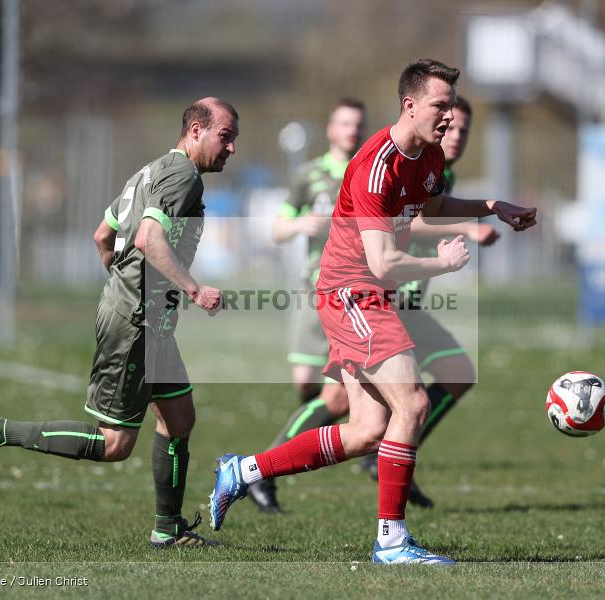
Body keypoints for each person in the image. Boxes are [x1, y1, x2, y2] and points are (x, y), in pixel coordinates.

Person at [209, 59, 536, 564]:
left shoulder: (426, 156)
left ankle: (243, 471)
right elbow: (382, 262)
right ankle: (391, 541)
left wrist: (492, 206)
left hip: (365, 294)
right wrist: (443, 263)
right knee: (412, 405)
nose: (449, 117)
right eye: (440, 106)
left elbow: (433, 208)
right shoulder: (375, 166)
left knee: (366, 430)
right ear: (409, 105)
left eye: (452, 106)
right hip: (350, 293)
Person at [0, 97, 239, 548]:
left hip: (147, 321)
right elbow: (148, 238)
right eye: (226, 136)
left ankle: (168, 529)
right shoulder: (183, 176)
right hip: (137, 323)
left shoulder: (149, 170)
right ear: (196, 131)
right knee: (114, 444)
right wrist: (193, 289)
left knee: (179, 418)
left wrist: (121, 278)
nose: (232, 148)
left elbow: (103, 234)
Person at [249, 96, 498, 513]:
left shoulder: (433, 165)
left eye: (462, 129)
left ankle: (381, 460)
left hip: (392, 296)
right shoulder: (362, 167)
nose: (453, 131)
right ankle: (263, 469)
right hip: (346, 292)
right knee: (337, 401)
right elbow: (401, 227)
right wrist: (460, 239)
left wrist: (485, 211)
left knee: (443, 380)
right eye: (448, 123)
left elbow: (418, 215)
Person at [248, 99, 366, 512]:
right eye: (344, 123)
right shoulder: (309, 175)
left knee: (338, 397)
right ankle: (309, 445)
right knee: (307, 385)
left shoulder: (369, 169)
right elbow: (278, 228)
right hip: (312, 289)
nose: (352, 130)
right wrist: (301, 223)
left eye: (358, 124)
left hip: (352, 295)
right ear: (331, 130)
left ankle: (267, 469)